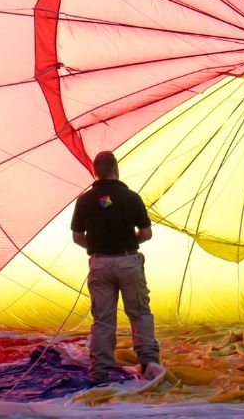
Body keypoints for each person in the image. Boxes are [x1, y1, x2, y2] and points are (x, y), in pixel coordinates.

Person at [70, 151, 162, 383]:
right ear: (116, 168)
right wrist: (130, 241)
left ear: (95, 171)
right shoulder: (132, 197)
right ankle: (149, 364)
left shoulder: (84, 200)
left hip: (99, 263)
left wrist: (99, 247)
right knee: (139, 312)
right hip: (128, 260)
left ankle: (99, 373)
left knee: (102, 320)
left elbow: (77, 237)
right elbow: (147, 234)